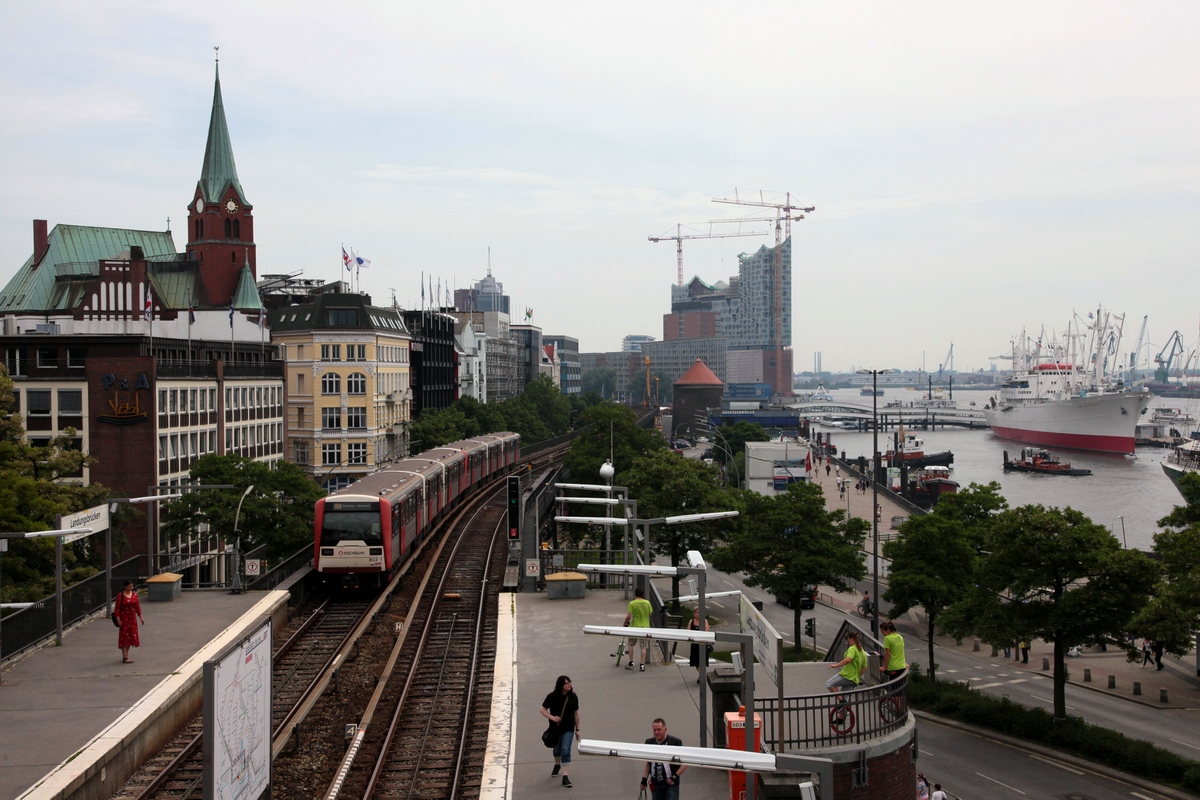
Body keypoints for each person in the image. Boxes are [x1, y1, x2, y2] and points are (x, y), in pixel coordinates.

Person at [540, 675, 580, 788]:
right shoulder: (552, 697)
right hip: (555, 728)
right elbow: (542, 709)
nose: (569, 685)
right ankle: (557, 764)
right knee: (557, 750)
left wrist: (577, 729)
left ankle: (565, 777)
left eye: (570, 682)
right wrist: (552, 717)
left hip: (568, 728)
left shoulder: (573, 697)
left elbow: (576, 714)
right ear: (560, 685)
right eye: (566, 683)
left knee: (565, 750)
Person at [641, 718, 685, 800]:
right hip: (656, 784)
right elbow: (648, 763)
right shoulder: (649, 743)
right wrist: (644, 779)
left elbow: (685, 762)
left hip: (671, 784)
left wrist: (675, 776)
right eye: (654, 730)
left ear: (665, 729)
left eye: (659, 729)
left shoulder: (675, 742)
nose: (656, 732)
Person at [826, 630, 866, 700]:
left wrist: (835, 665)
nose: (847, 642)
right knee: (845, 697)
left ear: (851, 639)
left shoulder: (852, 649)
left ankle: (842, 702)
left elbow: (848, 660)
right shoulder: (861, 650)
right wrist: (857, 676)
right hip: (854, 679)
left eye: (847, 639)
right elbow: (864, 666)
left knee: (829, 684)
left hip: (847, 675)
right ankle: (843, 707)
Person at [114, 579, 145, 664]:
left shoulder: (134, 595)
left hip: (132, 619)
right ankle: (125, 656)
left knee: (131, 636)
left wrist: (140, 616)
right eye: (129, 586)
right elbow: (117, 608)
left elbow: (137, 606)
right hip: (124, 618)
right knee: (124, 637)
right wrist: (118, 619)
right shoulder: (120, 596)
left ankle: (126, 654)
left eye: (132, 586)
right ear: (125, 587)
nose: (131, 588)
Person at [624, 586, 653, 671]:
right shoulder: (647, 603)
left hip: (635, 627)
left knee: (631, 644)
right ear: (643, 594)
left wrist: (625, 622)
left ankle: (631, 662)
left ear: (635, 594)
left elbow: (629, 616)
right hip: (645, 627)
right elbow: (650, 614)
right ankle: (642, 664)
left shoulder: (632, 603)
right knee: (643, 646)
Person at [687, 608, 711, 685]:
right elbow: (688, 631)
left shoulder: (704, 621)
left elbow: (707, 630)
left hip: (702, 643)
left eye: (698, 613)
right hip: (694, 644)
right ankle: (701, 674)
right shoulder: (691, 621)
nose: (697, 614)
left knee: (701, 661)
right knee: (696, 662)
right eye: (695, 613)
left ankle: (700, 677)